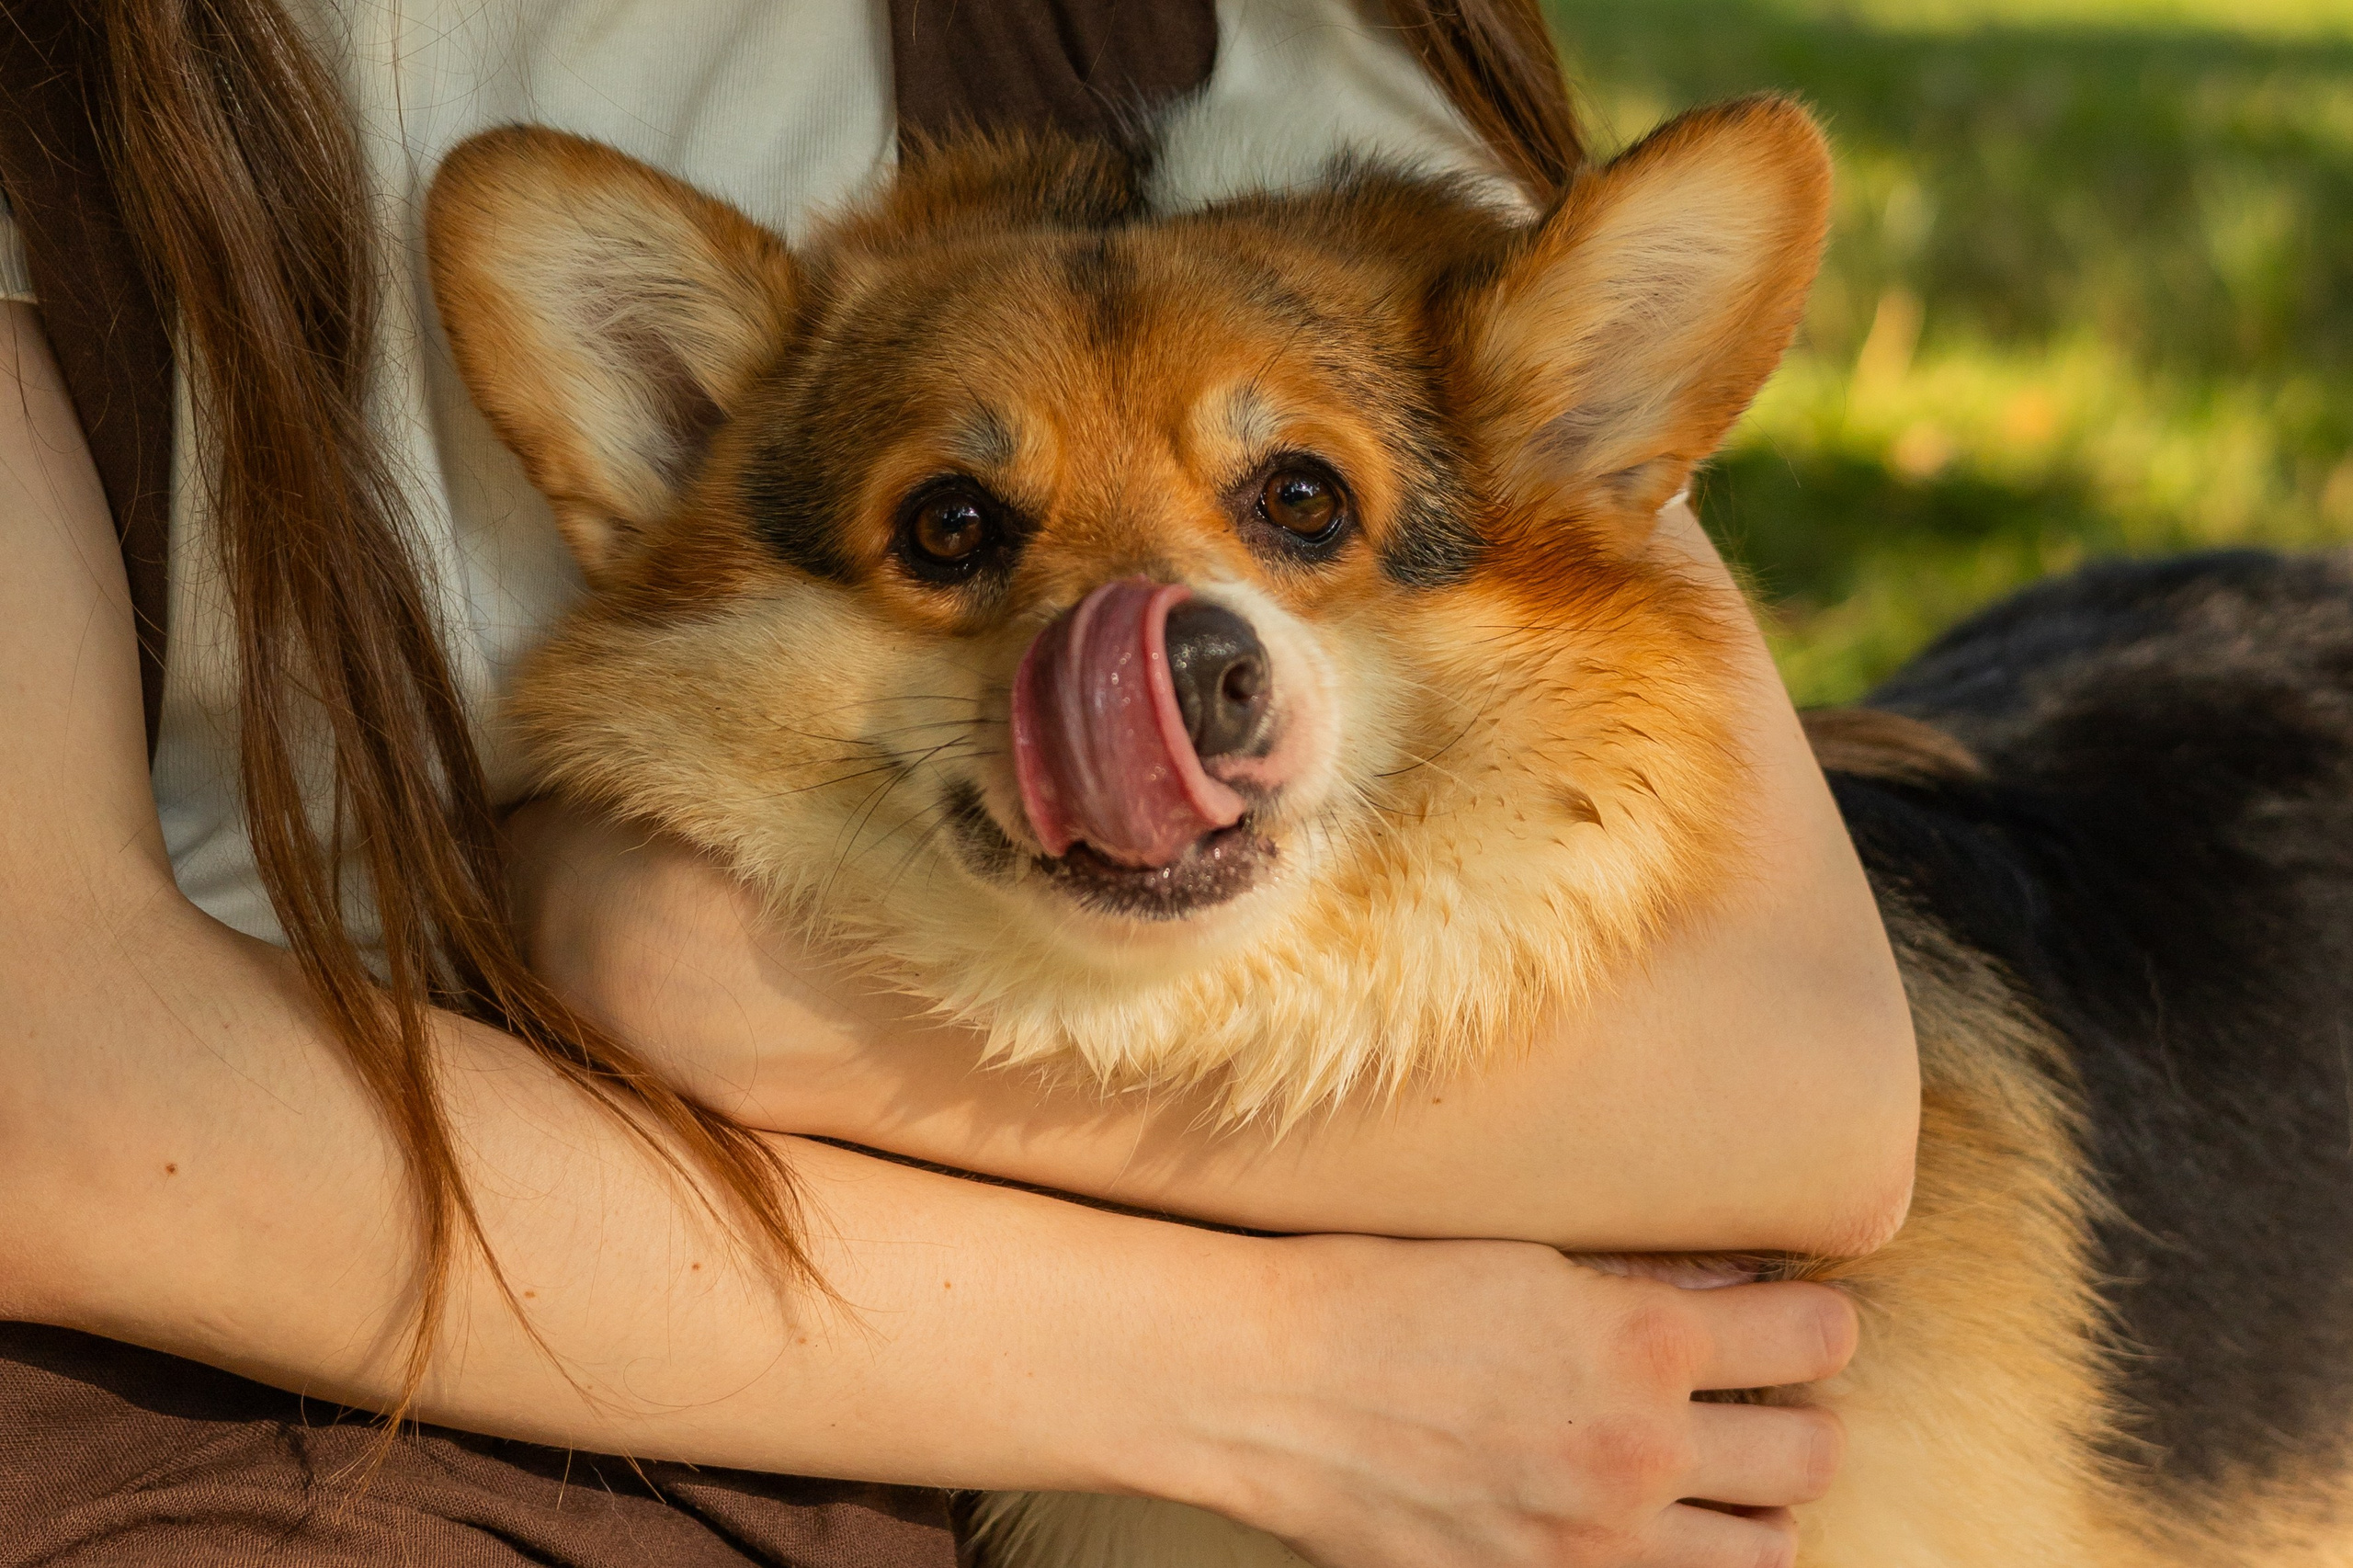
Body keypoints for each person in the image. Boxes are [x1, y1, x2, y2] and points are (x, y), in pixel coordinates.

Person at [0, 1, 1916, 1563]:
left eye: (1293, 502)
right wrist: (1297, 1372)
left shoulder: (1294, 92)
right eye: (954, 525)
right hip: (326, 1352)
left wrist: (710, 978)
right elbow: (52, 1098)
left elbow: (1816, 1090)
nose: (1153, 618)